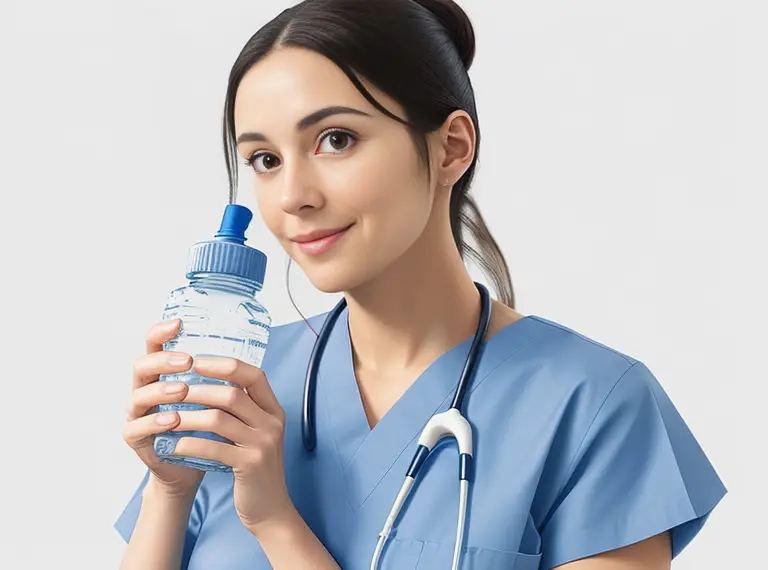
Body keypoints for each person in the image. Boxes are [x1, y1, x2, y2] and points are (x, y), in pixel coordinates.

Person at [114, 1, 727, 569]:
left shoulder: (593, 408)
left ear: (450, 149)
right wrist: (169, 491)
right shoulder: (236, 383)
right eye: (265, 160)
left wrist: (276, 522)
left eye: (336, 140)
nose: (294, 197)